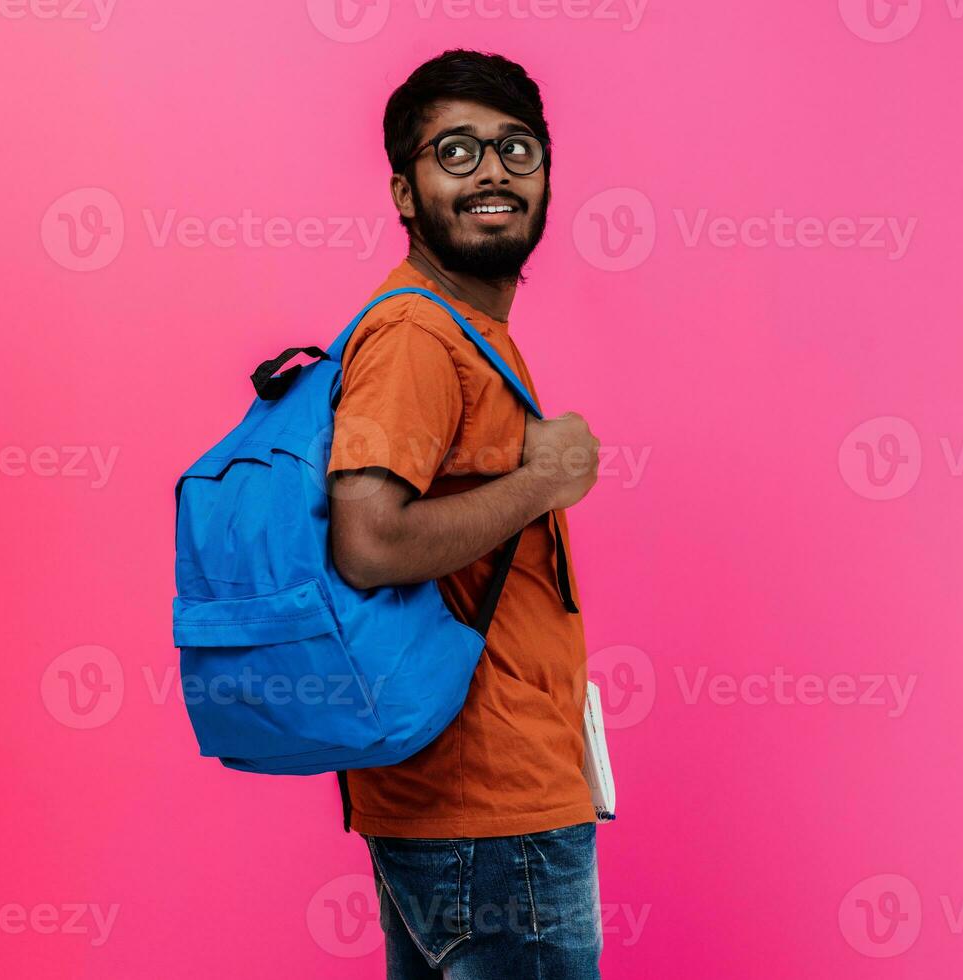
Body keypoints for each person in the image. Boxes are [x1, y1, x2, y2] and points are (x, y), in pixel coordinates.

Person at [326, 49, 604, 979]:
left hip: (469, 806)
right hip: (491, 816)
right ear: (405, 193)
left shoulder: (469, 333)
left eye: (516, 149)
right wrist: (542, 481)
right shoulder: (415, 335)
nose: (492, 171)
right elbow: (366, 540)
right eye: (456, 151)